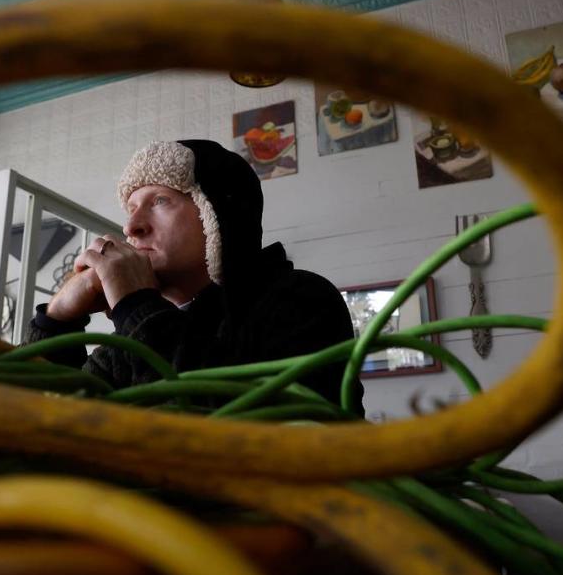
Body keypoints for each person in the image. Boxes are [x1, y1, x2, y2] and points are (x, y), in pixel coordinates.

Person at [26, 139, 364, 414]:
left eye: (160, 200)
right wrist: (56, 323)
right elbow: (43, 423)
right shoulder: (133, 338)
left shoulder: (301, 298)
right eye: (131, 208)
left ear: (216, 215)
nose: (131, 227)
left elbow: (245, 435)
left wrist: (136, 306)